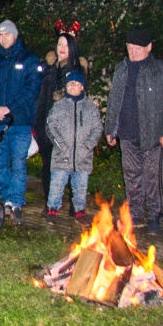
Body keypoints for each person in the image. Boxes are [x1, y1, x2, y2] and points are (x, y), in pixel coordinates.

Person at [104, 29, 163, 235]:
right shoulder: (121, 69)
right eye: (130, 48)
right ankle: (135, 214)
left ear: (149, 47)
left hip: (153, 135)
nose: (134, 52)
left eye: (138, 48)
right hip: (127, 133)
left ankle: (155, 216)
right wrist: (110, 128)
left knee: (153, 178)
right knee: (131, 176)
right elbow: (114, 101)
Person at [0, 19, 43, 226]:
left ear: (15, 35)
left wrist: (9, 108)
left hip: (20, 122)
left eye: (7, 34)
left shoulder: (29, 59)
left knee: (19, 163)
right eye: (0, 35)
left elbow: (31, 90)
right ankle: (6, 197)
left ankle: (16, 201)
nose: (3, 38)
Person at [35, 23, 89, 209]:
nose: (61, 49)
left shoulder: (77, 70)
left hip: (68, 130)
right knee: (48, 165)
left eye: (66, 45)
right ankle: (50, 205)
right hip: (45, 124)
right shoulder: (49, 68)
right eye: (59, 44)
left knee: (71, 167)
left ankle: (76, 207)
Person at [45, 71, 102, 220]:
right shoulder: (59, 106)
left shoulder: (90, 108)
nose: (73, 87)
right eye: (70, 84)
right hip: (61, 155)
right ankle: (52, 209)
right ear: (66, 86)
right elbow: (50, 126)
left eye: (76, 84)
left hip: (83, 157)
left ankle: (79, 210)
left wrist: (87, 146)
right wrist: (61, 145)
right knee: (57, 185)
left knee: (80, 187)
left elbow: (97, 129)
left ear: (82, 87)